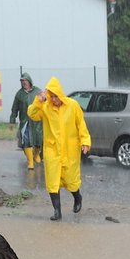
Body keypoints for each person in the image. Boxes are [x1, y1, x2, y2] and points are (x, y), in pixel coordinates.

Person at [27, 76, 91, 220]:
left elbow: (81, 124)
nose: (54, 99)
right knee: (52, 181)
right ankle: (57, 211)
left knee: (71, 180)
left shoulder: (73, 105)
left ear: (60, 94)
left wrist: (85, 141)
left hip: (70, 149)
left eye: (56, 96)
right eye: (51, 96)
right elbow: (32, 114)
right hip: (52, 149)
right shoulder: (45, 107)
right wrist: (39, 100)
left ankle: (77, 197)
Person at [9, 73, 43, 170]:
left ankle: (36, 154)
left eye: (25, 80)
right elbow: (14, 109)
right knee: (26, 141)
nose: (24, 82)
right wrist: (12, 121)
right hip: (25, 122)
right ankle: (30, 162)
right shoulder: (19, 94)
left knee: (38, 140)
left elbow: (45, 105)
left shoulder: (38, 91)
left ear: (29, 81)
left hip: (37, 122)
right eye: (22, 81)